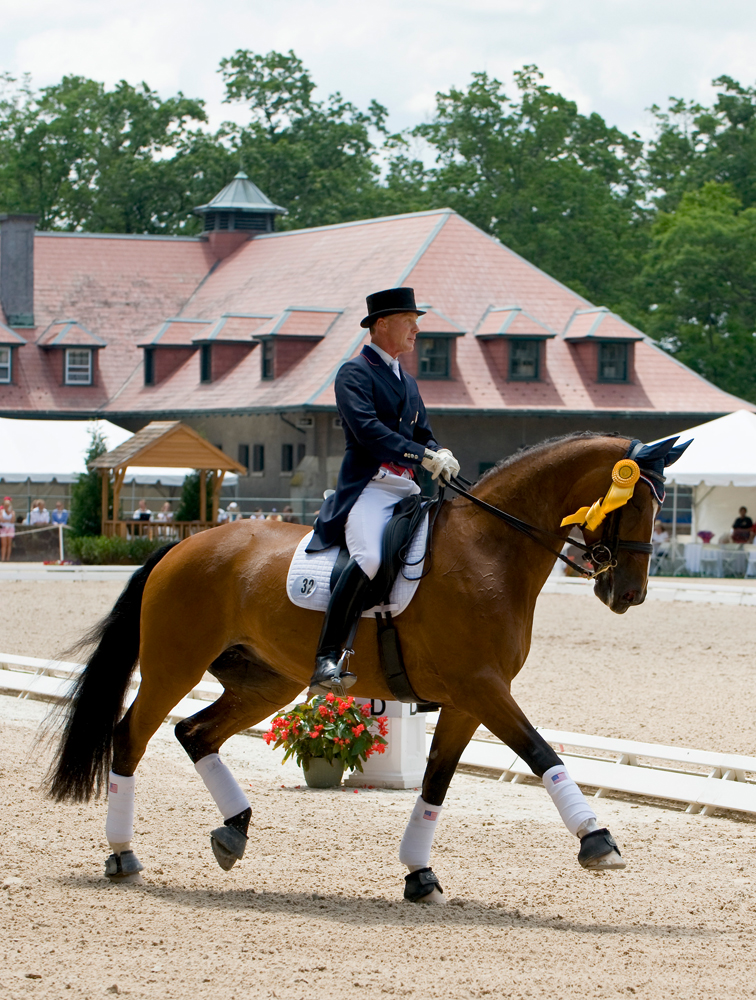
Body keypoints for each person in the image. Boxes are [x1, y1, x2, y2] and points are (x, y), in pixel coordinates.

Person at [305, 286, 459, 694]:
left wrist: (439, 452)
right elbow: (369, 432)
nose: (416, 330)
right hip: (370, 488)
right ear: (382, 324)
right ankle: (326, 657)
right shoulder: (354, 373)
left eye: (417, 323)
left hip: (406, 490)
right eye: (410, 322)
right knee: (371, 557)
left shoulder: (407, 381)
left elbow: (422, 433)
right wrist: (422, 455)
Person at [0, 497, 15, 561]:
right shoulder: (1, 511)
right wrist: (7, 520)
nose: (6, 507)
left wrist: (9, 512)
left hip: (10, 528)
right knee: (4, 544)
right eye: (5, 506)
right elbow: (1, 520)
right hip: (3, 528)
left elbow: (12, 520)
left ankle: (8, 558)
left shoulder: (12, 512)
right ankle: (3, 558)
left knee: (9, 544)